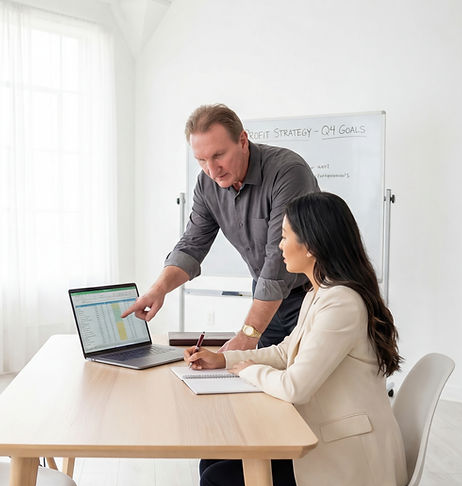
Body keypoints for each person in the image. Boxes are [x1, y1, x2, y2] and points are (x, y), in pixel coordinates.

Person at [184, 192, 407, 486]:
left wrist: (243, 370)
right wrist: (223, 360)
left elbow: (294, 387)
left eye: (285, 235)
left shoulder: (342, 303)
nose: (279, 244)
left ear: (312, 246)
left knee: (218, 482)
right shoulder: (321, 293)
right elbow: (288, 352)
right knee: (213, 462)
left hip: (350, 460)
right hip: (335, 443)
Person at [122, 104, 319, 350]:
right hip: (265, 295)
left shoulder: (287, 172)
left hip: (311, 295)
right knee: (265, 378)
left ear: (243, 140)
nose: (212, 171)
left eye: (218, 155)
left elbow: (277, 261)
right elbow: (192, 245)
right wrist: (158, 290)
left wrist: (247, 335)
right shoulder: (206, 184)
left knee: (305, 381)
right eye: (201, 160)